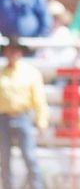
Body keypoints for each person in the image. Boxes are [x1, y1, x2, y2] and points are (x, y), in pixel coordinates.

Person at [0, 37, 49, 189]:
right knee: (4, 159)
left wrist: (42, 121)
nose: (12, 53)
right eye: (10, 50)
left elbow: (39, 98)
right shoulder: (2, 73)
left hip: (23, 116)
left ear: (20, 53)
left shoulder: (30, 72)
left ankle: (37, 186)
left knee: (30, 156)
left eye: (15, 50)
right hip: (3, 118)